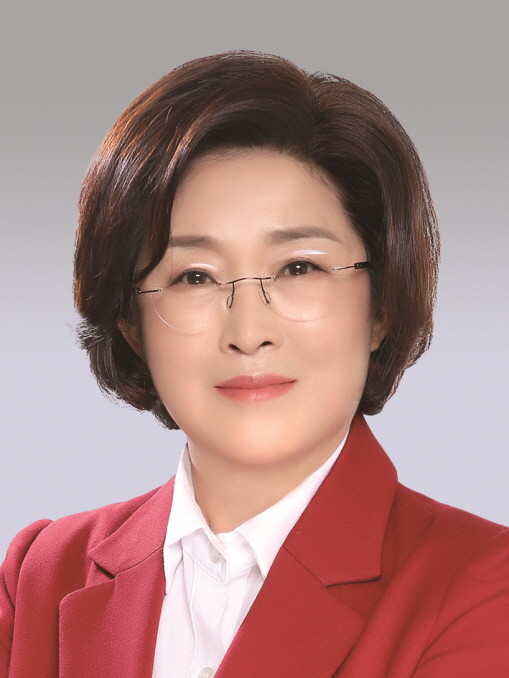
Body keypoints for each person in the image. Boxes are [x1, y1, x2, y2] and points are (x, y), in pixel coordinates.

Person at [1, 50, 508, 678]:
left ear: (381, 304)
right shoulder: (42, 576)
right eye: (194, 276)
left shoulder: (483, 585)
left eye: (299, 267)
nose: (249, 333)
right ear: (130, 323)